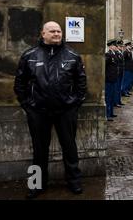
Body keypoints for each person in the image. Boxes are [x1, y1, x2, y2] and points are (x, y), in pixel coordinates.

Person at [14, 21, 87, 199]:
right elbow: (20, 83)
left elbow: (81, 83)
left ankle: (74, 182)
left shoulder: (72, 56)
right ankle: (36, 184)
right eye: (52, 31)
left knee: (70, 148)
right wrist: (27, 105)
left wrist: (74, 104)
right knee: (39, 149)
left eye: (59, 31)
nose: (56, 34)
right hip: (38, 112)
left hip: (65, 111)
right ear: (43, 34)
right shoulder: (30, 55)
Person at [105, 39, 119, 122]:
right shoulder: (108, 55)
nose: (115, 46)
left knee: (112, 96)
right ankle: (107, 114)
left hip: (113, 79)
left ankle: (111, 113)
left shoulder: (114, 54)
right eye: (114, 45)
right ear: (110, 46)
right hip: (109, 79)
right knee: (108, 97)